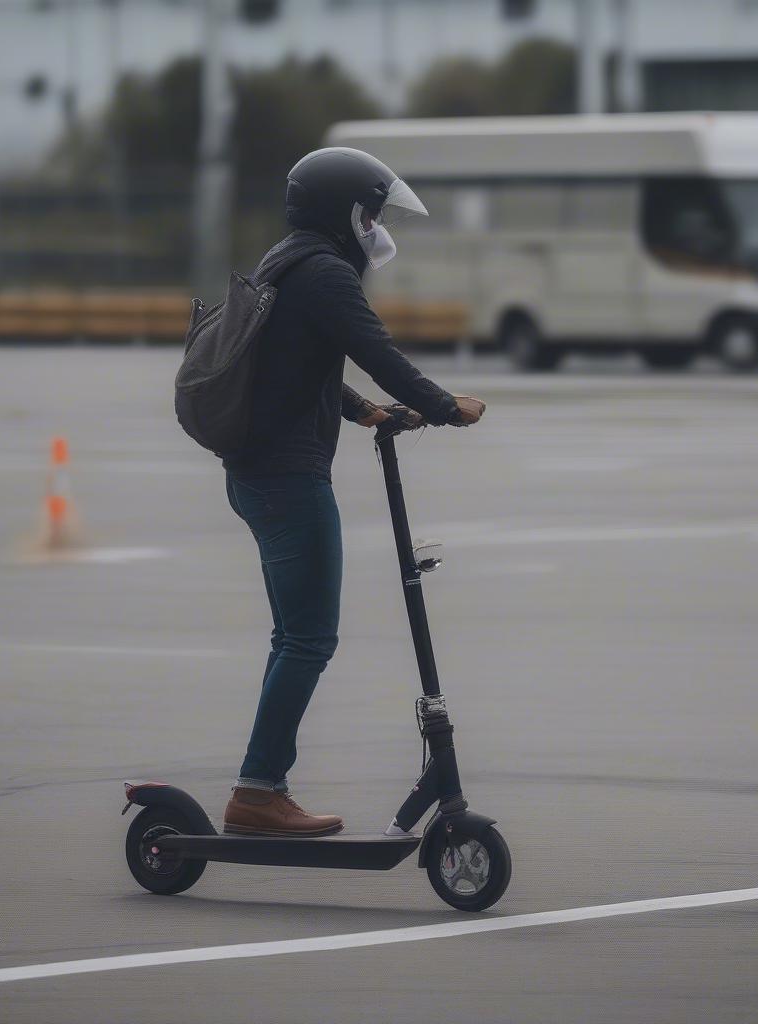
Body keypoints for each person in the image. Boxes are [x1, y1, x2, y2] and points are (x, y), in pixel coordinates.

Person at [221, 147, 486, 837]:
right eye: (370, 211)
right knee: (310, 639)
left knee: (294, 636)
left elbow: (290, 362)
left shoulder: (285, 261)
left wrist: (360, 409)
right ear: (345, 212)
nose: (374, 225)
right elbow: (378, 350)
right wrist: (444, 405)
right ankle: (257, 791)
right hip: (287, 477)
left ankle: (262, 786)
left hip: (260, 473)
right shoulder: (326, 274)